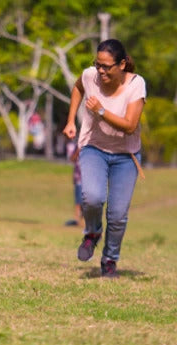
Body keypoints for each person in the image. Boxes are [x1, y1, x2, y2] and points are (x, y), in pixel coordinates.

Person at [63, 39, 146, 278]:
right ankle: (92, 232)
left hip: (125, 155)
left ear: (121, 65)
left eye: (106, 66)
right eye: (98, 64)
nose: (100, 70)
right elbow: (78, 87)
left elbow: (130, 126)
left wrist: (100, 110)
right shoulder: (90, 76)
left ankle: (109, 260)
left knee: (118, 215)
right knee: (92, 198)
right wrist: (70, 120)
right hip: (93, 148)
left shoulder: (136, 85)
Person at [64, 137, 83, 227]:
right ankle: (77, 220)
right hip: (78, 178)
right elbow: (72, 158)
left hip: (88, 178)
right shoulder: (76, 146)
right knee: (78, 201)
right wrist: (79, 149)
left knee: (88, 202)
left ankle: (85, 222)